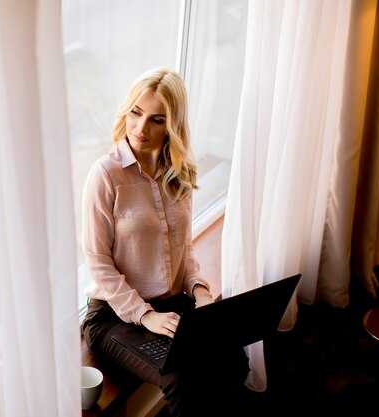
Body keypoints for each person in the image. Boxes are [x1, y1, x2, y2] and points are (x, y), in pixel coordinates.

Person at [80, 68, 249, 416]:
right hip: (113, 315)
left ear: (173, 126)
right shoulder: (105, 175)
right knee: (181, 379)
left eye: (157, 120)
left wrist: (200, 291)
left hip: (171, 304)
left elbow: (183, 251)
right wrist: (144, 315)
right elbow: (98, 262)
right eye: (136, 113)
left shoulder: (179, 175)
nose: (141, 128)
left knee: (233, 357)